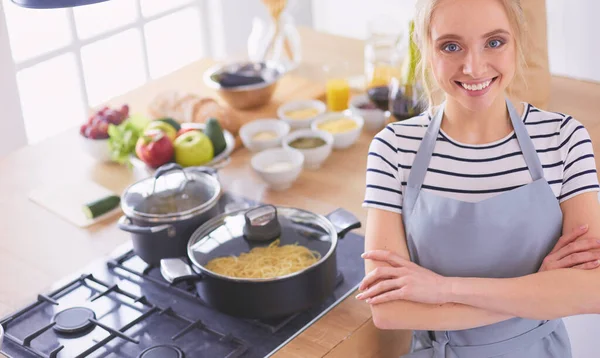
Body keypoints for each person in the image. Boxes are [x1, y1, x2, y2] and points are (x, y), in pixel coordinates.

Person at [357, 0, 600, 357]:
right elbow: (389, 310)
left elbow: (591, 291)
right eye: (451, 46)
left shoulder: (563, 139)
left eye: (494, 42)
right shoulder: (393, 149)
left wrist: (444, 290)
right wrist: (538, 291)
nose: (473, 67)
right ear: (425, 47)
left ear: (518, 41)